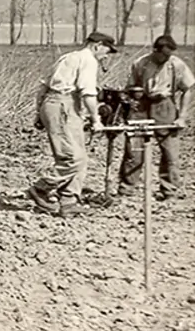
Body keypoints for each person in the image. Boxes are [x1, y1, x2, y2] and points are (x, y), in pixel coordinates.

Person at [27, 31, 117, 217]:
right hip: (63, 105)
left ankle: (69, 200)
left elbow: (43, 86)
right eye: (107, 50)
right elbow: (88, 94)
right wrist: (96, 119)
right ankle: (41, 189)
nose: (106, 55)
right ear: (97, 45)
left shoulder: (67, 57)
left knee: (80, 157)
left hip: (56, 104)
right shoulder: (88, 60)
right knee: (72, 157)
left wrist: (39, 112)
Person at [118, 34, 194, 200]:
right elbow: (129, 88)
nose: (167, 58)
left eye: (169, 55)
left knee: (170, 151)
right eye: (164, 55)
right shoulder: (141, 63)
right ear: (155, 51)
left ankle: (169, 190)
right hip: (142, 105)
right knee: (134, 149)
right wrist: (133, 99)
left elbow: (188, 89)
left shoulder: (177, 65)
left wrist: (182, 116)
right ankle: (127, 189)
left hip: (165, 106)